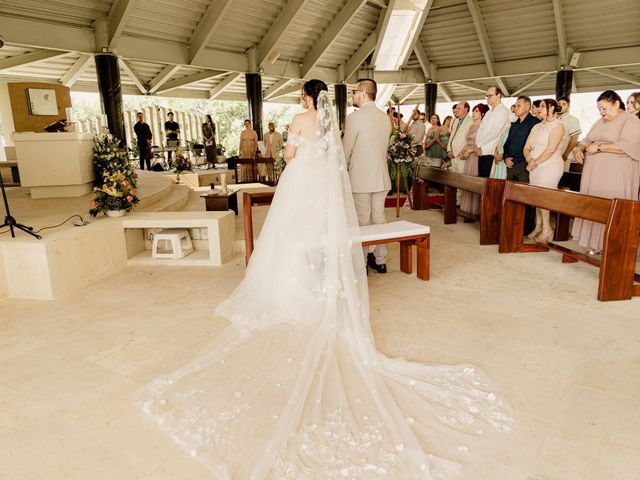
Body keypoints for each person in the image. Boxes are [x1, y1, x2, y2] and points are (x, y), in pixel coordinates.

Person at [139, 78, 511, 480]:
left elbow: (291, 153)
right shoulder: (333, 121)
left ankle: (292, 285)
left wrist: (287, 152)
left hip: (300, 183)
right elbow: (334, 156)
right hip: (323, 186)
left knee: (290, 237)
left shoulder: (300, 118)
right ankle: (330, 278)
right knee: (319, 235)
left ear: (304, 96)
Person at [572, 90, 640, 254]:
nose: (602, 112)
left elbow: (629, 145)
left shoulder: (630, 120)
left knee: (611, 205)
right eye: (600, 109)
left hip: (617, 172)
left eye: (605, 108)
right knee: (596, 204)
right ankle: (595, 244)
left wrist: (600, 147)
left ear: (616, 103)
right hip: (594, 173)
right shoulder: (599, 121)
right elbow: (587, 139)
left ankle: (613, 245)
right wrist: (579, 149)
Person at [343, 79, 392, 273]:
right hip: (381, 175)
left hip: (361, 177)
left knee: (362, 220)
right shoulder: (385, 117)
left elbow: (346, 150)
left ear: (363, 93)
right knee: (379, 218)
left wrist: (343, 170)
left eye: (354, 92)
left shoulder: (355, 118)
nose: (353, 95)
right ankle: (380, 261)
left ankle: (362, 262)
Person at [523, 98, 568, 244]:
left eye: (543, 106)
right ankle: (538, 226)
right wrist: (529, 158)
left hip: (550, 166)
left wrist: (535, 162)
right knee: (536, 198)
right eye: (539, 106)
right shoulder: (536, 127)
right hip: (535, 166)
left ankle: (547, 229)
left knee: (544, 197)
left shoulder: (558, 126)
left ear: (553, 109)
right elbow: (526, 146)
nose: (539, 109)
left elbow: (551, 149)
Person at [501, 96, 541, 234]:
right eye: (515, 105)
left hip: (524, 164)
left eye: (518, 105)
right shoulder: (515, 124)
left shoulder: (535, 123)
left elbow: (529, 145)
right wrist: (506, 157)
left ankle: (527, 228)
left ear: (528, 107)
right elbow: (507, 144)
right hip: (510, 164)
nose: (516, 108)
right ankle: (512, 224)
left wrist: (516, 159)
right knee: (511, 197)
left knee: (526, 196)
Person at [475, 86, 511, 177]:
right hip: (481, 151)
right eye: (487, 96)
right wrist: (477, 145)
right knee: (482, 182)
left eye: (490, 95)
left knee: (489, 183)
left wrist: (479, 146)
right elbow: (480, 130)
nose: (488, 98)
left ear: (498, 95)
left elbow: (494, 133)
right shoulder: (488, 113)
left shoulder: (503, 111)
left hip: (491, 152)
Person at [460, 103, 489, 215]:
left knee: (474, 181)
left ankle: (476, 211)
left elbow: (480, 144)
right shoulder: (471, 126)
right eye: (473, 111)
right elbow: (467, 142)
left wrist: (469, 150)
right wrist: (462, 152)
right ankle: (467, 210)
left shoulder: (483, 126)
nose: (473, 113)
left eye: (476, 111)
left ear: (482, 113)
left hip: (476, 156)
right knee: (467, 181)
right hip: (467, 156)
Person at [447, 101, 473, 205]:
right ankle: (455, 202)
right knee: (453, 180)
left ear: (466, 109)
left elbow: (467, 140)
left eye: (459, 108)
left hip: (462, 156)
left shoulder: (470, 122)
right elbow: (452, 137)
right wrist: (449, 149)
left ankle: (460, 204)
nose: (456, 110)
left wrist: (457, 152)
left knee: (461, 181)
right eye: (456, 108)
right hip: (452, 155)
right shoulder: (455, 120)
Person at [556, 96, 581, 163]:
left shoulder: (572, 120)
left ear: (568, 107)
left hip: (564, 157)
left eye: (563, 104)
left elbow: (574, 139)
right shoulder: (553, 119)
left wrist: (565, 154)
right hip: (552, 157)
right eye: (559, 104)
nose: (560, 106)